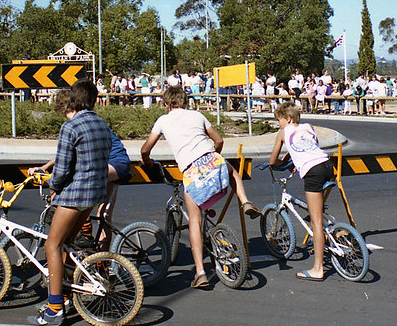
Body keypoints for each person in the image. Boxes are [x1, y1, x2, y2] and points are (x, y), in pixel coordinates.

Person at [140, 86, 260, 289]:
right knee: (233, 173)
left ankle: (200, 272)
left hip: (192, 170)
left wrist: (147, 161)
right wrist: (215, 154)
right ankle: (245, 201)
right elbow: (219, 140)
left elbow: (145, 149)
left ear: (166, 104)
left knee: (194, 221)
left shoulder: (163, 121)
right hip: (212, 159)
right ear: (185, 101)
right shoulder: (197, 115)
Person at [27, 79, 112, 326]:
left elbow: (62, 170)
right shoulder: (102, 124)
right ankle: (65, 294)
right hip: (95, 193)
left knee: (52, 245)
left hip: (75, 194)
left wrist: (53, 185)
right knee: (68, 244)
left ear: (73, 99)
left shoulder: (71, 127)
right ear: (95, 100)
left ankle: (55, 308)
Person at [29, 90, 132, 251]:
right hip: (110, 163)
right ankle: (100, 258)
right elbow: (69, 152)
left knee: (86, 192)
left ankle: (84, 231)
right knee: (103, 216)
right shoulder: (88, 122)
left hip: (115, 162)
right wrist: (45, 166)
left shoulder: (78, 124)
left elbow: (67, 159)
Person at [268, 101, 335, 281]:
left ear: (288, 119)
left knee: (316, 222)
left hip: (312, 172)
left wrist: (283, 163)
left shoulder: (283, 133)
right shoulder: (309, 126)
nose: (278, 124)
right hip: (326, 165)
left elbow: (273, 161)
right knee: (317, 211)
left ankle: (318, 268)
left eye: (279, 120)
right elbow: (312, 146)